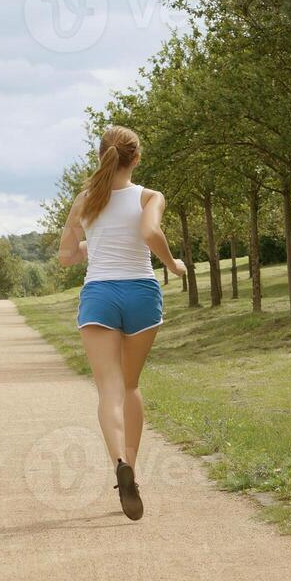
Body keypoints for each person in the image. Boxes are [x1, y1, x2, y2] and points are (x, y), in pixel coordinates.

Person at [58, 125, 186, 521]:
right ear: (136, 159)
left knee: (109, 388)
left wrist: (88, 244)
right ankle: (132, 463)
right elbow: (149, 232)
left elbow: (65, 257)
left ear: (101, 157)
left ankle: (119, 463)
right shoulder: (150, 196)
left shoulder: (84, 200)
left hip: (100, 295)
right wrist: (173, 263)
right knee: (131, 385)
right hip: (141, 294)